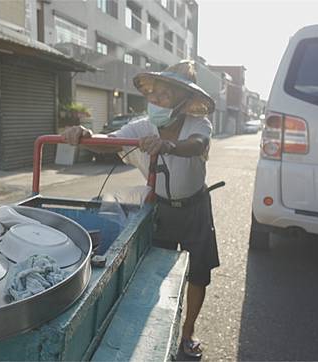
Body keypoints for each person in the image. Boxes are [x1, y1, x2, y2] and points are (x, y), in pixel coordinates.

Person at [62, 60, 219, 359]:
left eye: (165, 95)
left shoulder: (197, 125)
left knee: (199, 273)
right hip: (158, 208)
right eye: (153, 94)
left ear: (184, 101)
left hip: (195, 207)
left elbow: (198, 144)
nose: (156, 101)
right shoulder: (142, 126)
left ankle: (188, 332)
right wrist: (84, 134)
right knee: (154, 272)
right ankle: (156, 324)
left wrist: (168, 145)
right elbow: (110, 142)